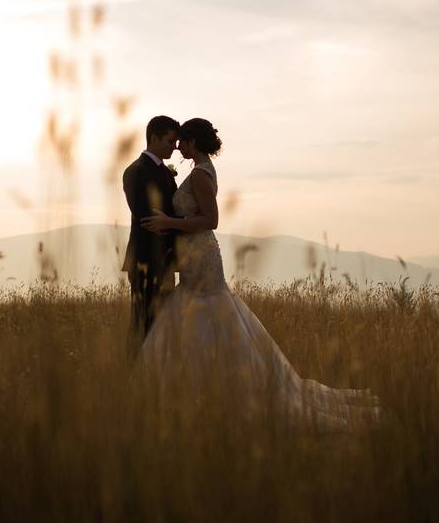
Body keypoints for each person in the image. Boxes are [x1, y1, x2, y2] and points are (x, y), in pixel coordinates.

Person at [140, 118, 381, 431]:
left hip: (201, 255)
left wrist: (168, 223)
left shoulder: (200, 174)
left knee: (202, 312)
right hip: (194, 255)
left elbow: (211, 220)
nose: (179, 147)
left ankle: (213, 391)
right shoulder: (200, 169)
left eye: (183, 141)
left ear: (194, 143)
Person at [122, 115, 180, 357]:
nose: (174, 148)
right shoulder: (136, 171)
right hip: (145, 260)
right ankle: (132, 377)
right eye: (170, 141)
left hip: (166, 259)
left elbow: (165, 215)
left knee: (163, 324)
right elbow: (146, 217)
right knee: (143, 323)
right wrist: (185, 224)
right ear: (153, 138)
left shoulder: (165, 172)